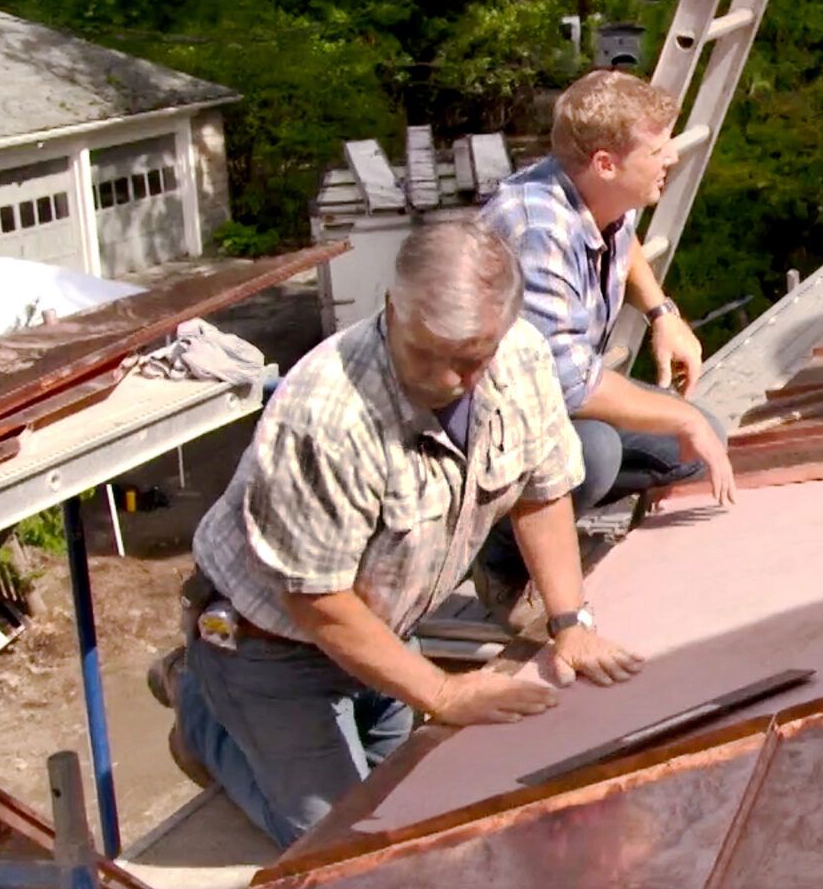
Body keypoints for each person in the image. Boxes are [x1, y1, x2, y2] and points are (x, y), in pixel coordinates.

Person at [159, 220, 643, 848]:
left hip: (383, 627)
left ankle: (270, 715)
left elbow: (543, 489)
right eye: (425, 354)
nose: (447, 380)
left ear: (501, 331)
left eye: (470, 360)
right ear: (392, 309)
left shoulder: (521, 358)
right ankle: (201, 716)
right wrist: (441, 689)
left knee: (413, 802)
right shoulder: (324, 416)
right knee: (344, 846)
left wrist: (569, 623)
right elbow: (316, 600)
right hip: (267, 644)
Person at [471, 70, 735, 606]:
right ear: (605, 164)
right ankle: (499, 560)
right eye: (657, 150)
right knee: (594, 453)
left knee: (703, 442)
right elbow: (569, 387)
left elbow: (625, 237)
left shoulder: (603, 193)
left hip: (554, 393)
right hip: (489, 422)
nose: (673, 159)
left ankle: (550, 518)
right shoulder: (537, 232)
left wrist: (662, 312)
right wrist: (676, 416)